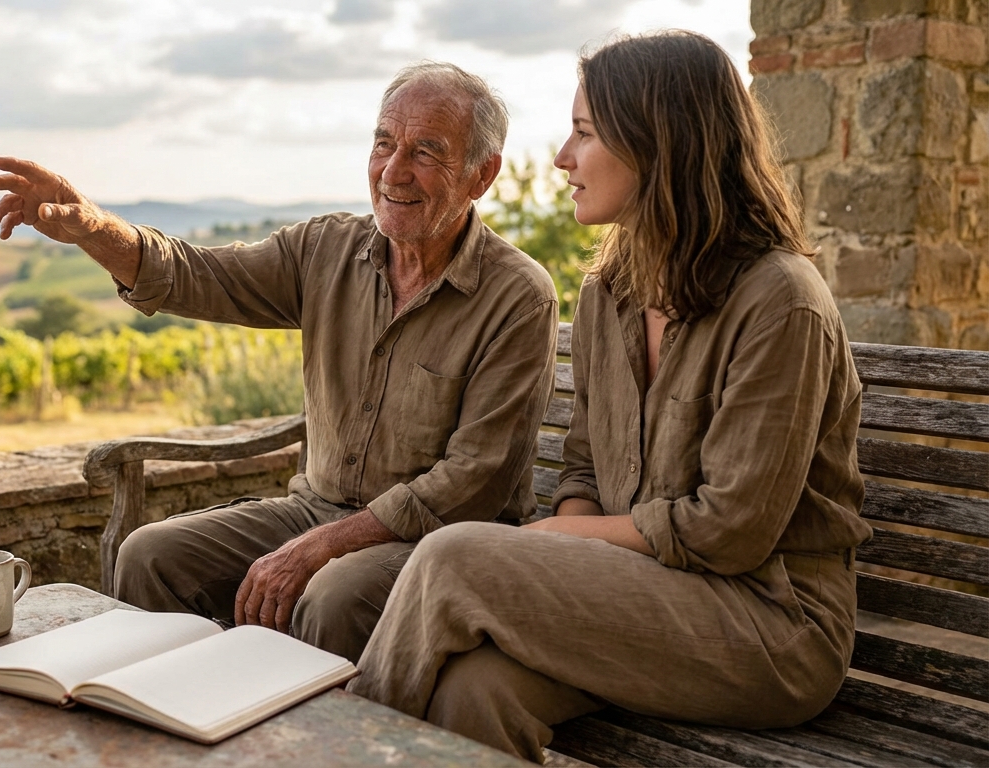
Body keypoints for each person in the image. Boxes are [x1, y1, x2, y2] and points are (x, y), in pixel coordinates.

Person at [348, 30, 874, 763]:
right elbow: (587, 465)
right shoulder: (609, 293)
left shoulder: (781, 302)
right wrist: (574, 543)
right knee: (474, 693)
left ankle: (333, 752)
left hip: (769, 624)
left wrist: (557, 545)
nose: (563, 156)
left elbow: (731, 530)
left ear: (660, 146)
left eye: (585, 133)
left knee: (454, 557)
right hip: (641, 592)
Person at [0, 62, 561, 664]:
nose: (392, 170)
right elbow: (195, 276)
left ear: (481, 174)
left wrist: (321, 548)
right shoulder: (324, 248)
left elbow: (473, 481)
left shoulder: (517, 295)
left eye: (425, 152)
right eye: (384, 143)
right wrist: (92, 227)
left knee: (332, 596)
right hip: (314, 510)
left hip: (438, 539)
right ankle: (170, 729)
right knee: (149, 554)